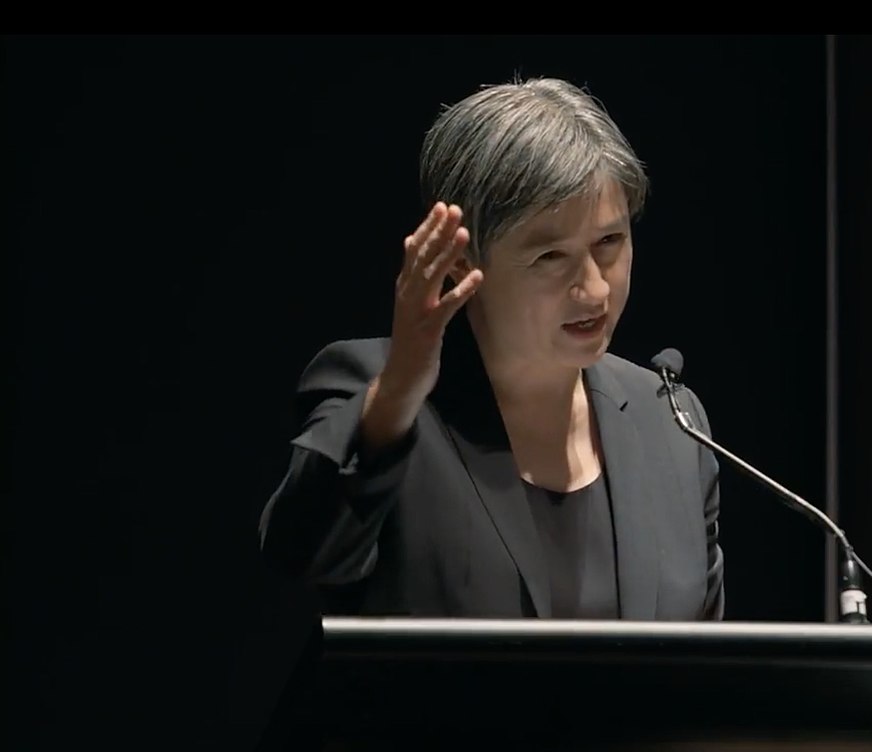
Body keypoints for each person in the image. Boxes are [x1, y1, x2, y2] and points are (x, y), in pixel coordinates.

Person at [258, 76, 725, 621]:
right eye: (550, 256)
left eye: (609, 242)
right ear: (462, 259)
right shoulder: (379, 394)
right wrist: (399, 395)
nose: (595, 288)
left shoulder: (671, 421)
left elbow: (700, 666)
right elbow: (302, 556)